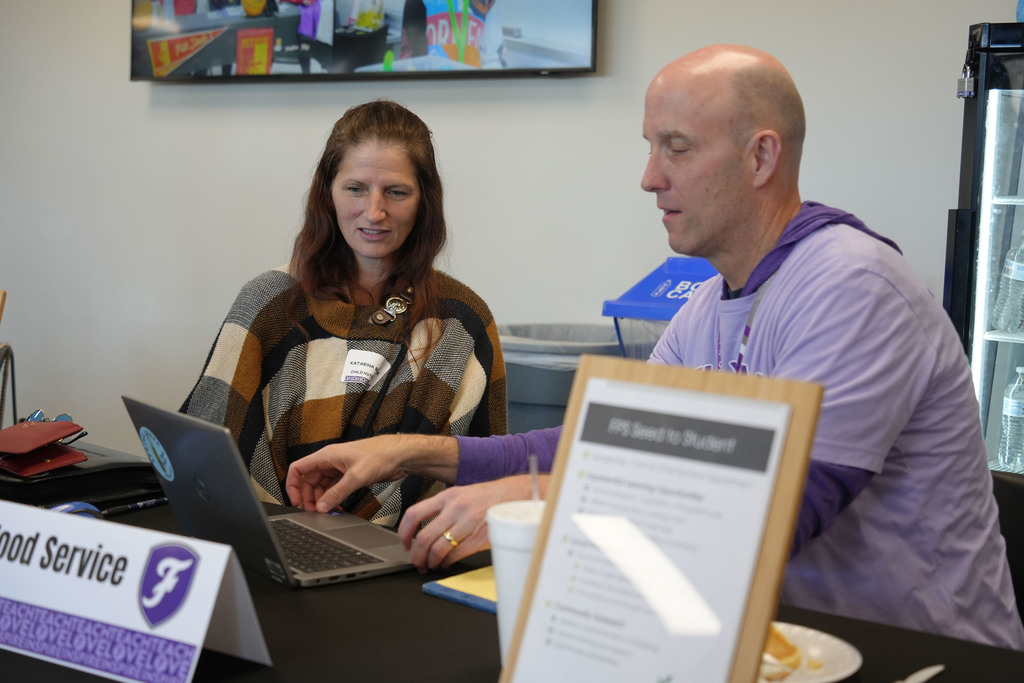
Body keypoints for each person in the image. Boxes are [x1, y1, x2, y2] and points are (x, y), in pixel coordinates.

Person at [285, 46, 1024, 650]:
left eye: (675, 147)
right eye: (649, 147)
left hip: (924, 655)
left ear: (761, 156)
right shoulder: (709, 304)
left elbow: (778, 513)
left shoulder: (853, 285)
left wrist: (539, 495)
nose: (649, 177)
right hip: (781, 646)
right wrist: (410, 451)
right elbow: (607, 443)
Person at [183, 99, 507, 528]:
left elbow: (490, 483)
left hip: (405, 562)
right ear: (327, 193)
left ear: (424, 201)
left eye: (396, 192)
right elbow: (201, 462)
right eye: (355, 189)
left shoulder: (462, 322)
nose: (374, 212)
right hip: (263, 541)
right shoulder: (267, 302)